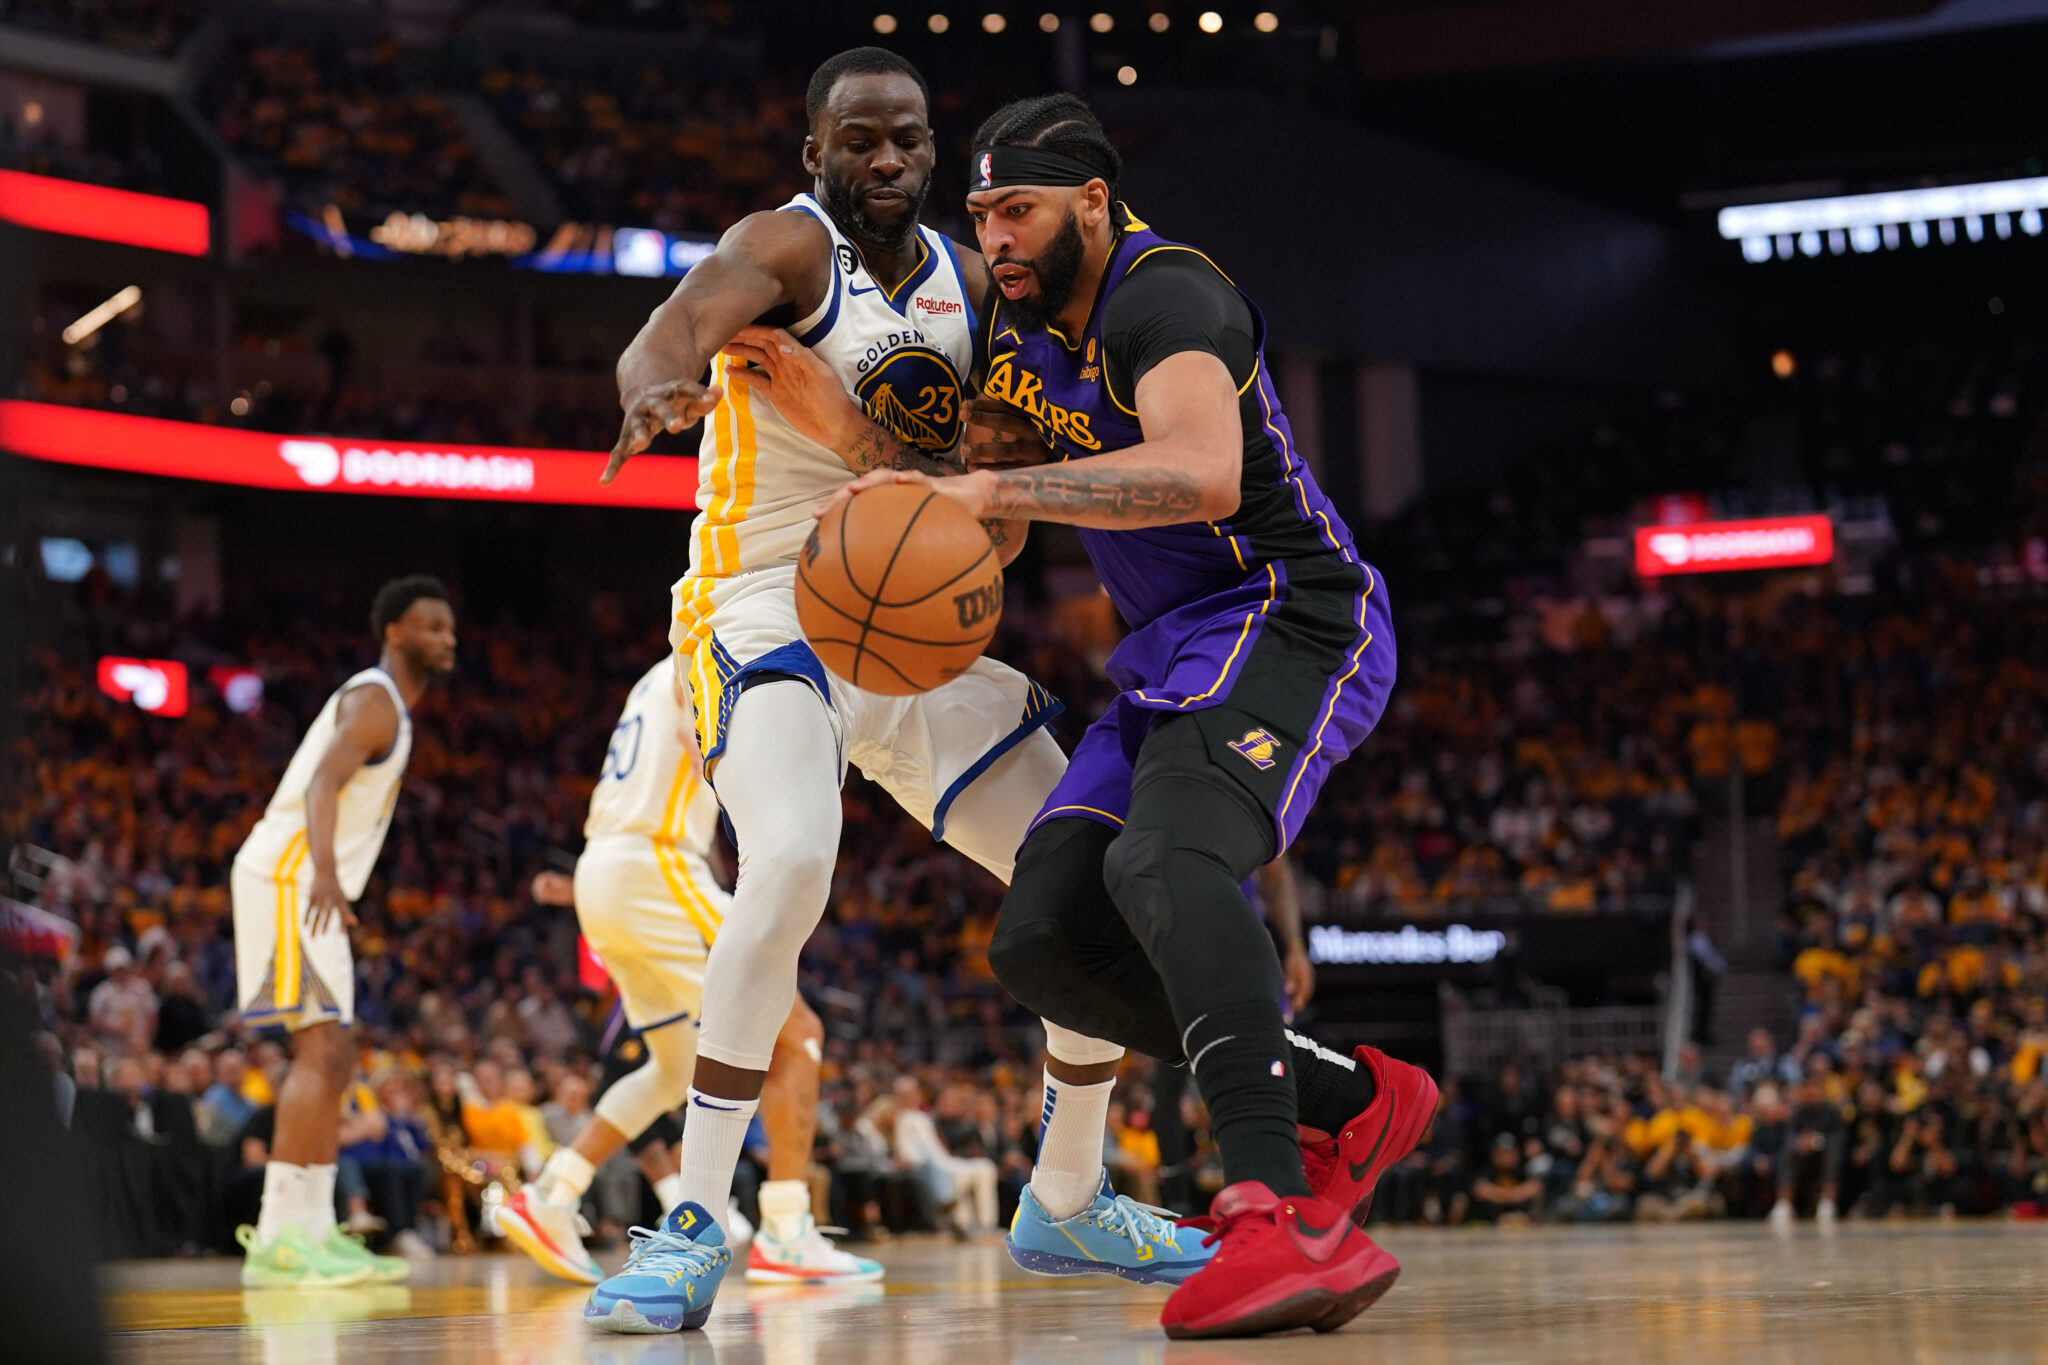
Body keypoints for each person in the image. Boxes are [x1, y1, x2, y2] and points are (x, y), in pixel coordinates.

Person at [756, 93, 1437, 1339]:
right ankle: (1350, 1101)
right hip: (1164, 656)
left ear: (1090, 201)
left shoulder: (1165, 294)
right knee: (1045, 942)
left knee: (1162, 860)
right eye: (980, 215)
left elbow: (1202, 473)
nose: (994, 238)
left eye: (1016, 210)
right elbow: (996, 523)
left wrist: (988, 490)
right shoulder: (1017, 329)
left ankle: (1278, 1211)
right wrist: (859, 448)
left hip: (1283, 612)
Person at [587, 48, 1209, 1333]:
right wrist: (655, 382)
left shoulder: (974, 288)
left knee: (1093, 875)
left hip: (914, 629)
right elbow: (676, 322)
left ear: (934, 151)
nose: (886, 161)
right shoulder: (785, 247)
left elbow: (1002, 529)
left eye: (908, 140)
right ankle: (694, 1220)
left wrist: (861, 443)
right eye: (859, 140)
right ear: (814, 151)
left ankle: (1070, 1193)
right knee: (789, 859)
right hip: (767, 604)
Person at [491, 657, 879, 1288]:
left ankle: (552, 1194)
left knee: (673, 1067)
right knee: (798, 1031)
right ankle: (787, 1232)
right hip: (658, 865)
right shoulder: (705, 651)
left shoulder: (651, 674)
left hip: (605, 870)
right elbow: (696, 739)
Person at [229, 575, 456, 1289]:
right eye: (431, 626)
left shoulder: (391, 708)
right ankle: (279, 1236)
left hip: (305, 879)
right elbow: (322, 781)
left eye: (449, 628)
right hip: (291, 874)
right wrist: (325, 873)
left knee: (336, 1054)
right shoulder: (375, 700)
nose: (446, 638)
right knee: (319, 1047)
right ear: (394, 632)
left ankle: (313, 1227)